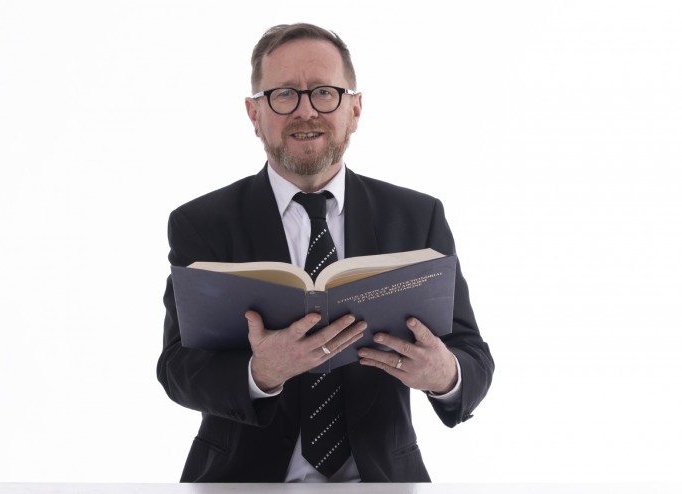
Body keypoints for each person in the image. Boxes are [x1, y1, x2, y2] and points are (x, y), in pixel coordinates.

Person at [157, 23, 494, 483]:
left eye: (324, 93)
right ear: (254, 113)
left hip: (382, 481)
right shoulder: (202, 224)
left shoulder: (418, 218)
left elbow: (472, 357)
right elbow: (177, 369)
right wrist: (260, 372)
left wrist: (443, 374)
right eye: (283, 95)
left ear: (355, 109)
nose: (305, 110)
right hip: (240, 481)